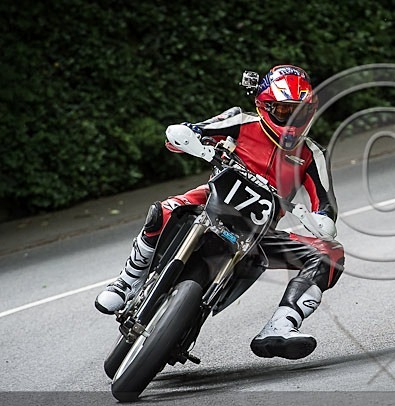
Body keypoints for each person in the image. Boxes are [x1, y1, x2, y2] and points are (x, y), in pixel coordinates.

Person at [95, 65, 344, 360]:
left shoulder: (312, 154)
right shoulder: (239, 121)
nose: (291, 119)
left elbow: (326, 206)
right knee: (162, 211)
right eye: (281, 110)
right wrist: (191, 139)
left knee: (330, 255)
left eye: (298, 112)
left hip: (259, 232)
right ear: (263, 107)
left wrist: (319, 220)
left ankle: (281, 326)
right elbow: (192, 129)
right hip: (211, 203)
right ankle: (128, 280)